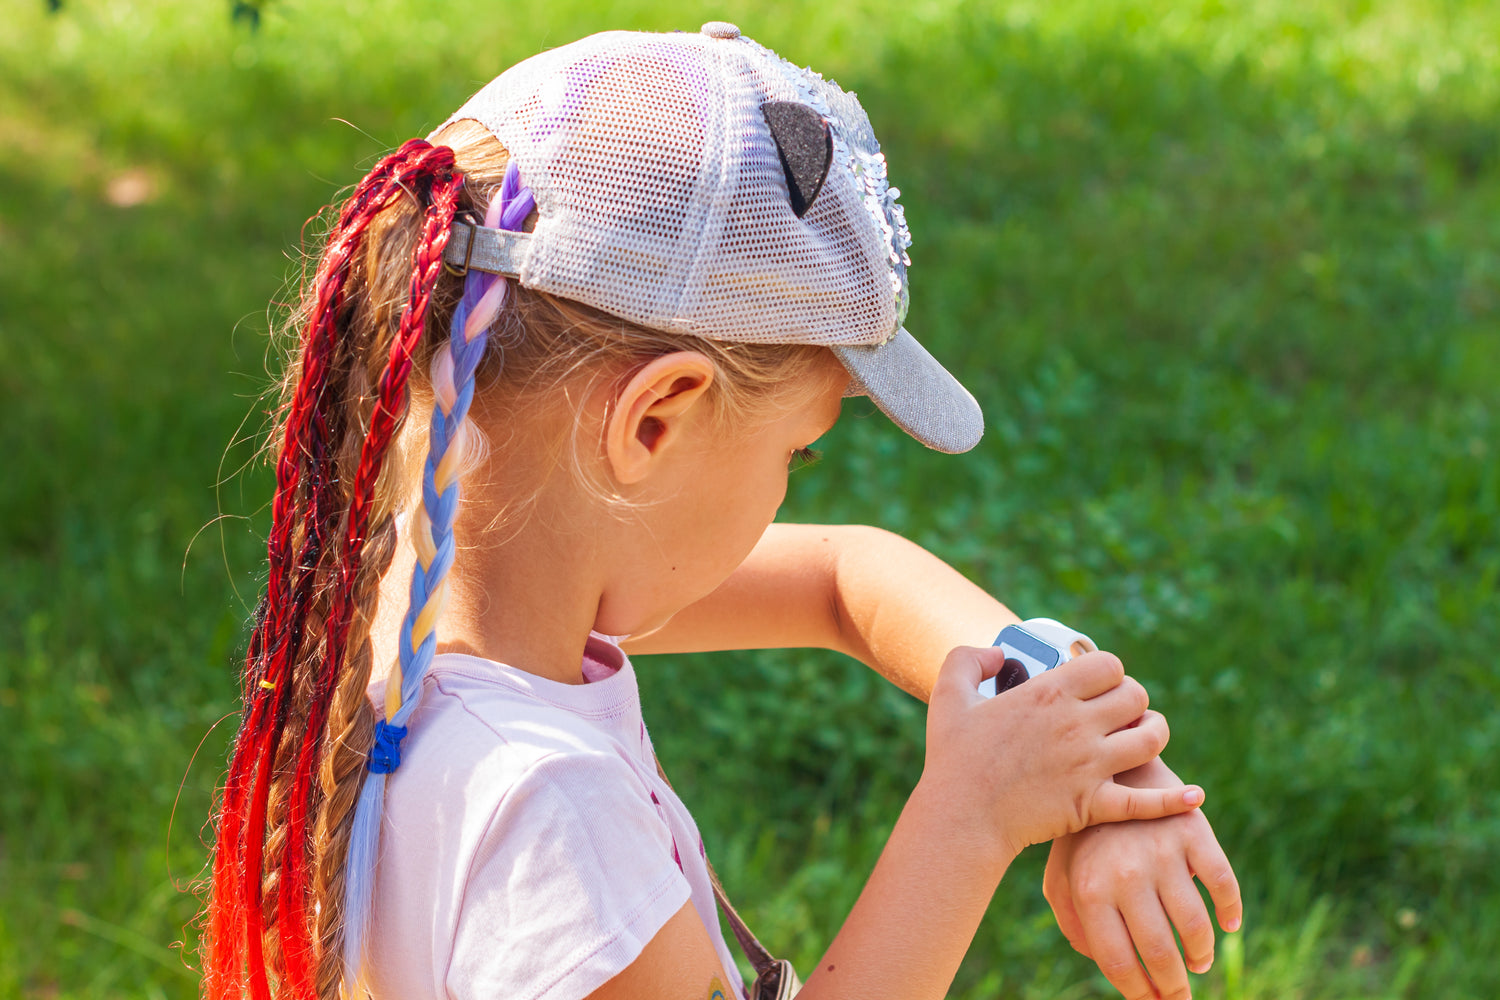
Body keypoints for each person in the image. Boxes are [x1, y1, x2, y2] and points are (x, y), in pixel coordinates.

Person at [202, 23, 1240, 1000]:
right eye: (801, 447)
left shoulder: (413, 596)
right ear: (656, 420)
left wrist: (1093, 747)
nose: (800, 480)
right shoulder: (549, 820)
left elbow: (849, 578)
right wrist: (970, 816)